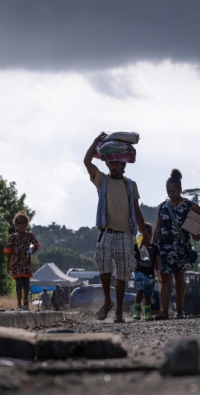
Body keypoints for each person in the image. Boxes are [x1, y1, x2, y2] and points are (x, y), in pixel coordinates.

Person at [84, 132, 149, 323]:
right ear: (108, 164)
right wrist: (96, 140)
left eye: (117, 163)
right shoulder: (101, 181)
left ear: (123, 165)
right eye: (111, 163)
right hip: (106, 232)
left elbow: (136, 212)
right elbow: (87, 161)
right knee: (103, 265)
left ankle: (119, 311)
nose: (114, 166)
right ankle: (107, 301)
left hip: (125, 235)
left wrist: (144, 234)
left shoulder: (131, 185)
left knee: (122, 274)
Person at [153, 169, 200, 320]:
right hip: (164, 248)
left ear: (179, 190)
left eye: (173, 191)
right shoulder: (163, 207)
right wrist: (153, 247)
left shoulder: (189, 205)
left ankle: (180, 311)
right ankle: (164, 311)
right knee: (165, 278)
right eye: (168, 191)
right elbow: (158, 228)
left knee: (179, 279)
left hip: (181, 247)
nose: (170, 194)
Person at [4, 210, 39, 311]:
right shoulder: (13, 237)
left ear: (27, 224)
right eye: (19, 223)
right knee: (18, 283)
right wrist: (8, 264)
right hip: (16, 264)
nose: (21, 225)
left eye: (24, 223)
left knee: (26, 284)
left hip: (26, 264)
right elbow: (9, 251)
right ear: (15, 225)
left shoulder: (30, 236)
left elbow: (36, 245)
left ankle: (26, 303)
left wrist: (32, 250)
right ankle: (19, 304)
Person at [132, 222, 162, 321]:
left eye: (149, 232)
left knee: (148, 294)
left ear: (152, 233)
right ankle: (137, 312)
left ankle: (147, 314)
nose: (148, 235)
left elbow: (158, 259)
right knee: (140, 291)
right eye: (145, 233)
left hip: (150, 273)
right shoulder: (137, 245)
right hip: (140, 272)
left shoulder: (154, 247)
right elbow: (134, 257)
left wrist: (159, 267)